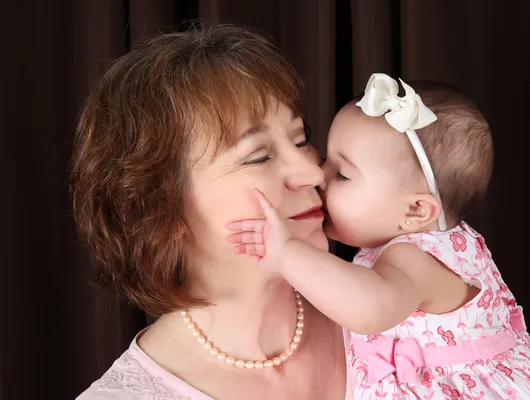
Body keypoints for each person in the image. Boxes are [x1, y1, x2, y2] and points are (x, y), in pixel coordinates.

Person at [229, 73, 530, 399]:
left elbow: (371, 309)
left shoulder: (414, 258)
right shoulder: (448, 240)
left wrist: (285, 253)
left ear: (415, 212)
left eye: (343, 174)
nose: (319, 176)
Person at [71, 24, 348, 399]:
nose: (313, 172)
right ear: (161, 212)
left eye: (301, 140)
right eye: (258, 157)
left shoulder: (404, 309)